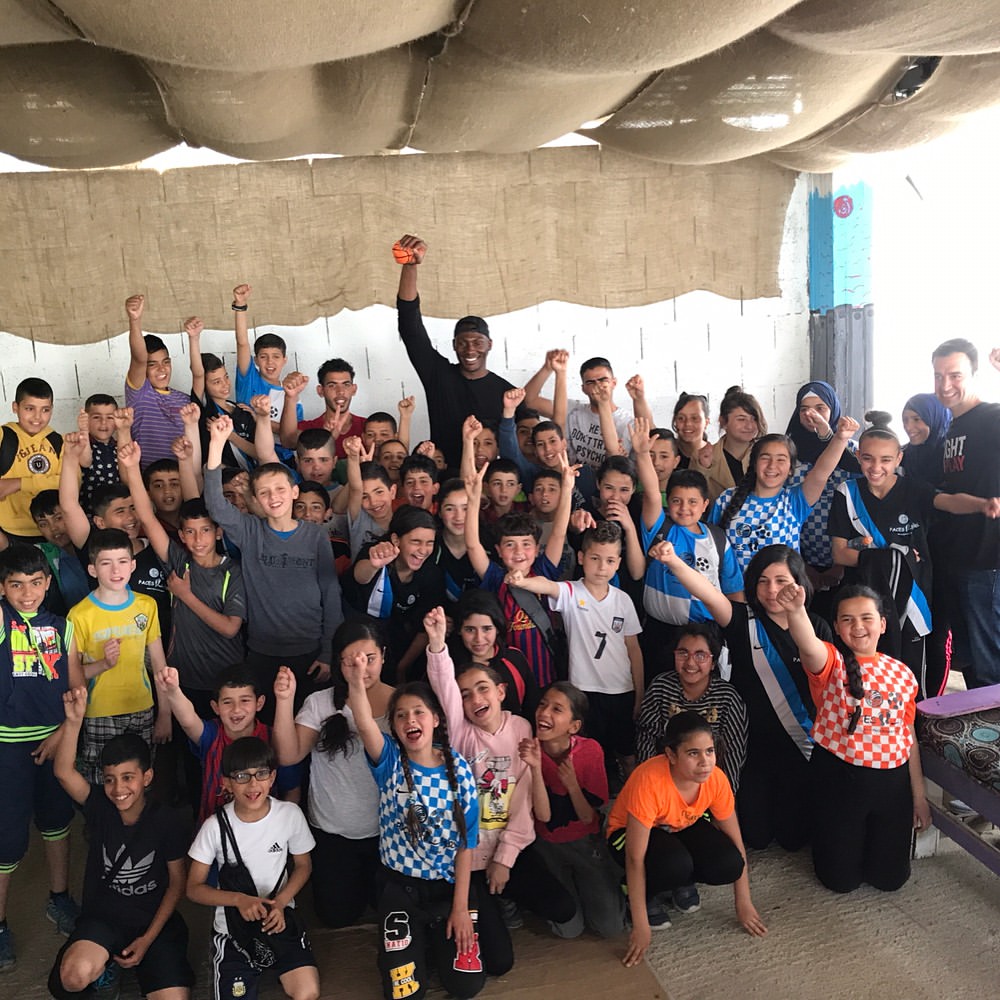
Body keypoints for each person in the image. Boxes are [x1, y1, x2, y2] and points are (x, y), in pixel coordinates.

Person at [648, 541, 831, 851]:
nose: (771, 589)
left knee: (794, 839)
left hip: (802, 746)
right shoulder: (742, 620)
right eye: (763, 581)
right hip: (752, 748)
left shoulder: (817, 627)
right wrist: (673, 562)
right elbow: (707, 593)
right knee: (756, 838)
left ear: (799, 584)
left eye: (781, 580)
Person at [425, 606, 575, 969]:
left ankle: (507, 892)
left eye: (482, 689)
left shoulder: (523, 729)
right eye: (466, 695)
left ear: (501, 691)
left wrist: (505, 860)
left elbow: (523, 803)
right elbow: (444, 688)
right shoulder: (461, 734)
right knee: (498, 960)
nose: (475, 700)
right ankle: (492, 899)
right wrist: (437, 644)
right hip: (469, 858)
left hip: (510, 845)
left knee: (564, 908)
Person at [775, 583, 930, 893]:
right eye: (847, 619)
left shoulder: (903, 673)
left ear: (883, 623)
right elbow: (808, 644)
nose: (858, 626)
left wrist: (919, 796)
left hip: (892, 783)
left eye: (866, 617)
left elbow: (907, 735)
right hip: (841, 780)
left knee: (891, 880)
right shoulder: (830, 664)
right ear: (836, 626)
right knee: (840, 881)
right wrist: (795, 611)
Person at [344, 661, 484, 1000]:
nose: (410, 721)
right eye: (401, 716)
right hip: (400, 887)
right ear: (392, 726)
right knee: (405, 994)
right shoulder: (389, 761)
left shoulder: (459, 768)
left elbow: (467, 843)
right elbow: (364, 723)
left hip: (447, 887)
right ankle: (411, 946)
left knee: (466, 986)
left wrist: (460, 906)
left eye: (419, 712)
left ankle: (435, 938)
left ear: (436, 719)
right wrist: (355, 682)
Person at [828, 414, 996, 699]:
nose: (876, 467)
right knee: (869, 671)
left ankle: (913, 734)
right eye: (868, 459)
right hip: (865, 601)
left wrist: (982, 504)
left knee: (911, 673)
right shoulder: (846, 494)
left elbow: (948, 502)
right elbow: (840, 553)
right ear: (858, 456)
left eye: (885, 460)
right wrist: (896, 557)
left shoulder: (914, 490)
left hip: (915, 598)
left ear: (899, 458)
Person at [50, 702, 193, 1000]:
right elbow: (64, 772)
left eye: (128, 777)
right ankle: (104, 969)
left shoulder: (167, 820)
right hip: (104, 921)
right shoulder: (100, 808)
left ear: (147, 777)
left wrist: (147, 940)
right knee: (73, 977)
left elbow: (177, 883)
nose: (118, 789)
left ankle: (129, 960)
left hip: (153, 922)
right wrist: (74, 721)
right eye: (110, 779)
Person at [204, 415, 342, 717]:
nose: (273, 497)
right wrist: (217, 444)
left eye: (280, 489)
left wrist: (329, 652)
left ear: (294, 492)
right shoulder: (250, 532)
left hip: (310, 653)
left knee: (309, 727)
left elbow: (330, 595)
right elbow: (215, 504)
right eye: (264, 492)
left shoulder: (316, 535)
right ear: (255, 499)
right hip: (262, 653)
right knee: (267, 728)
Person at [608, 711, 766, 968]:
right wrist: (640, 924)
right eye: (693, 753)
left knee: (729, 863)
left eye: (709, 751)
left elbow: (735, 842)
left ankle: (680, 879)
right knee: (673, 864)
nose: (705, 762)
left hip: (681, 824)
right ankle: (640, 892)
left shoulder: (716, 778)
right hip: (627, 835)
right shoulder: (649, 780)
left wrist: (743, 901)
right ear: (670, 755)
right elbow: (635, 857)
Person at [271, 623, 394, 928]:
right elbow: (289, 755)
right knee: (336, 916)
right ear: (339, 662)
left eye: (369, 658)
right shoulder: (320, 702)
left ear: (384, 656)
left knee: (388, 909)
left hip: (388, 834)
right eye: (351, 661)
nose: (360, 668)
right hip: (332, 833)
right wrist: (284, 700)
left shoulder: (401, 703)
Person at [0, 545, 84, 971]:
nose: (27, 593)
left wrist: (62, 733)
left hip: (55, 742)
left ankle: (59, 897)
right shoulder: (3, 622)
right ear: (3, 589)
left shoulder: (62, 628)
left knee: (57, 824)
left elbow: (75, 690)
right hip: (7, 745)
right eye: (16, 584)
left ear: (48, 583)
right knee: (8, 839)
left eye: (35, 583)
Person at [505, 522, 643, 778]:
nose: (602, 567)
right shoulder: (571, 591)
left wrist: (639, 693)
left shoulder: (623, 600)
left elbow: (633, 650)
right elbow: (547, 585)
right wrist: (522, 581)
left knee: (627, 752)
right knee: (586, 752)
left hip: (622, 690)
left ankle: (627, 799)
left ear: (618, 562)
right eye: (595, 558)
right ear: (581, 558)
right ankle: (591, 805)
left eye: (610, 560)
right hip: (583, 691)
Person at [187, 736, 319, 1000]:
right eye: (241, 776)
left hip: (278, 919)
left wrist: (281, 903)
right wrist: (238, 900)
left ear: (272, 778)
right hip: (233, 929)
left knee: (307, 991)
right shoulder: (215, 826)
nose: (253, 784)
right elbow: (194, 888)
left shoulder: (289, 814)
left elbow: (303, 865)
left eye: (261, 774)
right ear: (226, 783)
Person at [632, 419, 743, 675]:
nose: (684, 508)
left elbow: (734, 591)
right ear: (667, 503)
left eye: (693, 502)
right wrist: (641, 455)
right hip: (662, 632)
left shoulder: (717, 538)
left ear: (705, 504)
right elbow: (650, 492)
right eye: (677, 501)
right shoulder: (660, 529)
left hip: (707, 632)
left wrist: (737, 634)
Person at [394, 234, 513, 466]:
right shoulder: (438, 375)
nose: (470, 349)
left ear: (489, 345)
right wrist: (410, 266)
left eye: (478, 342)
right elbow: (410, 326)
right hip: (443, 481)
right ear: (454, 346)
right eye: (463, 342)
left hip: (490, 486)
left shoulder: (507, 393)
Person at [522, 682, 625, 939]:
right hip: (545, 842)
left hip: (584, 839)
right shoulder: (527, 750)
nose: (544, 713)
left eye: (557, 709)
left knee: (610, 927)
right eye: (543, 704)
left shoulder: (589, 751)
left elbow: (589, 816)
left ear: (574, 726)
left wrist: (572, 786)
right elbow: (543, 817)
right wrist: (534, 768)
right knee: (569, 929)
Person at [67, 528, 170, 785]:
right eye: (106, 563)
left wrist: (165, 714)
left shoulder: (146, 605)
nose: (116, 571)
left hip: (142, 707)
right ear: (92, 569)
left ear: (133, 565)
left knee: (139, 780)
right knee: (103, 780)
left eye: (122, 561)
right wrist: (103, 664)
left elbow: (159, 664)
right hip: (98, 711)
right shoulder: (79, 615)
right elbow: (72, 675)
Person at [465, 457, 575, 688]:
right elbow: (473, 545)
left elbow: (558, 533)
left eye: (526, 544)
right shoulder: (495, 577)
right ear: (498, 550)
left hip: (546, 671)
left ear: (536, 549)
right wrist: (473, 499)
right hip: (507, 676)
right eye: (509, 545)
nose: (519, 552)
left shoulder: (543, 571)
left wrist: (567, 489)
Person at [930, 338, 1000, 687]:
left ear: (974, 375)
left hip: (987, 562)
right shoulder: (952, 428)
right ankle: (980, 738)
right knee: (970, 662)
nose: (945, 385)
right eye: (939, 375)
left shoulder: (990, 418)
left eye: (955, 375)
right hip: (958, 559)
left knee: (990, 666)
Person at [711, 418, 860, 573]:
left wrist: (840, 438)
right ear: (754, 463)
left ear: (791, 469)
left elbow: (821, 472)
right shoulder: (726, 498)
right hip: (733, 593)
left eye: (781, 460)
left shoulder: (794, 501)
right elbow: (711, 548)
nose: (772, 466)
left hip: (781, 593)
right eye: (765, 458)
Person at [635, 624, 748, 794]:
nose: (690, 662)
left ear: (713, 662)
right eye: (683, 653)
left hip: (710, 784)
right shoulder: (661, 687)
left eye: (700, 655)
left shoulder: (727, 696)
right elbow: (646, 740)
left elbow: (734, 751)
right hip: (664, 783)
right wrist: (652, 786)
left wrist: (724, 795)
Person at [348, 505, 445, 682]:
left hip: (400, 646)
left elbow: (425, 629)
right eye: (416, 542)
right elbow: (360, 576)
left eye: (429, 543)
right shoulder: (377, 552)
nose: (423, 550)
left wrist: (402, 668)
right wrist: (374, 565)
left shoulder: (431, 573)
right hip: (360, 641)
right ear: (396, 539)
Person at [784, 381, 861, 590]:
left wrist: (840, 564)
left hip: (848, 552)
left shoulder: (852, 449)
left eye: (820, 408)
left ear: (833, 410)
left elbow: (864, 485)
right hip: (799, 554)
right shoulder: (787, 451)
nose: (811, 415)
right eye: (804, 409)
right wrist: (802, 565)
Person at [231, 282, 301, 466]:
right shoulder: (249, 379)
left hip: (282, 462)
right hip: (246, 459)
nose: (270, 363)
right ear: (256, 360)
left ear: (285, 360)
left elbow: (291, 437)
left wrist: (259, 419)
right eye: (264, 357)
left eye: (276, 357)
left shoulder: (292, 396)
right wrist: (240, 307)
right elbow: (242, 343)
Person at [123, 295, 191, 468]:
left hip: (183, 478)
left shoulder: (185, 400)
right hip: (150, 480)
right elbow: (139, 358)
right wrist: (135, 320)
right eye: (153, 365)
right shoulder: (140, 393)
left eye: (166, 362)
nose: (162, 369)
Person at [450, 589, 540, 720]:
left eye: (487, 629)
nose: (479, 638)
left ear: (498, 628)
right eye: (470, 629)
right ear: (459, 630)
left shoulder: (514, 659)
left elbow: (531, 707)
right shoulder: (447, 666)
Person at [185, 317, 257, 470]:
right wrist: (194, 338)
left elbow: (259, 453)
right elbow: (198, 374)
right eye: (216, 382)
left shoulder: (243, 411)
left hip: (249, 479)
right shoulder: (206, 408)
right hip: (222, 482)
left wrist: (231, 436)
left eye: (226, 377)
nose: (225, 385)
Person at [0, 377, 63, 543]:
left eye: (45, 410)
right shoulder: (3, 438)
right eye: (29, 408)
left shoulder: (58, 441)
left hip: (55, 532)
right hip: (9, 532)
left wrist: (20, 483)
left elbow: (70, 483)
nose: (37, 417)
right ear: (15, 407)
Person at [279, 359, 366, 457]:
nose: (340, 391)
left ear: (353, 389)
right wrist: (290, 397)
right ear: (320, 391)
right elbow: (288, 442)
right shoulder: (309, 429)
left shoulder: (368, 427)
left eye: (346, 384)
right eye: (332, 385)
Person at [700, 387, 768, 502]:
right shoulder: (704, 458)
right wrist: (703, 468)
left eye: (754, 419)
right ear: (723, 422)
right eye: (741, 419)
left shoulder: (766, 454)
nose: (750, 426)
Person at [28, 491, 91, 615]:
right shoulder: (42, 554)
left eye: (58, 518)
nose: (53, 528)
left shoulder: (99, 546)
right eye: (43, 524)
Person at [77, 394, 124, 515]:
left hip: (116, 512)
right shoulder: (82, 445)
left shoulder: (118, 446)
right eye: (97, 417)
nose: (103, 423)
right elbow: (85, 461)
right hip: (88, 511)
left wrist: (124, 429)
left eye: (110, 417)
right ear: (86, 419)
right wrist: (83, 431)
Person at [900, 392, 952, 488]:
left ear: (935, 418)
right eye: (905, 420)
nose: (908, 427)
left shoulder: (952, 455)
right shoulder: (906, 453)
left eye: (916, 419)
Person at [671, 392, 711, 470]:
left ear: (706, 423)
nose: (688, 424)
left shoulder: (717, 456)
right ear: (675, 422)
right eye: (681, 418)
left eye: (694, 418)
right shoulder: (668, 453)